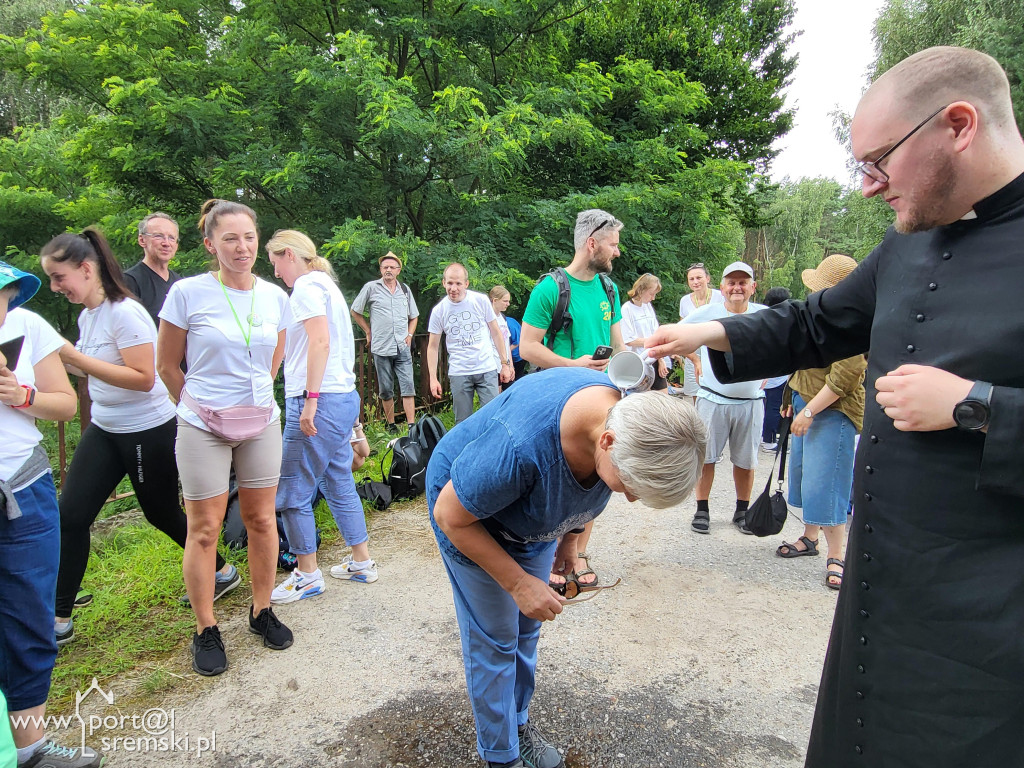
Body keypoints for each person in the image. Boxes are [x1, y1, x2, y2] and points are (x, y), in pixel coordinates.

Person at [646, 46, 1024, 767]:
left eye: (880, 160)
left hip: (992, 621)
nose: (867, 187)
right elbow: (816, 323)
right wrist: (712, 329)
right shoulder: (909, 240)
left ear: (959, 125)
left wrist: (978, 407)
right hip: (887, 594)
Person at [427, 368, 707, 768]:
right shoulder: (522, 446)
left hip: (525, 513)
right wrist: (518, 582)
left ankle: (518, 726)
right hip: (468, 513)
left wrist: (570, 540)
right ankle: (500, 756)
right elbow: (450, 516)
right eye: (629, 486)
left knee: (527, 629)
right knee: (497, 638)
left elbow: (589, 488)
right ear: (606, 442)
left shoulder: (623, 426)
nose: (627, 499)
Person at [38, 230, 238, 647]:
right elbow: (89, 368)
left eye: (59, 278)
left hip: (147, 429)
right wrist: (57, 359)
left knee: (161, 513)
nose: (56, 287)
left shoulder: (124, 313)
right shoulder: (89, 316)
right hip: (106, 428)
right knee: (71, 515)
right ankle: (58, 617)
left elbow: (144, 377)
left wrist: (74, 356)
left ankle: (221, 571)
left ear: (86, 269)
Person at [157, 199, 293, 677]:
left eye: (249, 237)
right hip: (201, 424)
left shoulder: (275, 296)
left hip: (260, 421)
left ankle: (261, 610)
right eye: (230, 238)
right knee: (205, 528)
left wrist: (253, 401)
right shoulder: (188, 293)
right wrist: (199, 407)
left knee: (261, 519)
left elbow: (273, 361)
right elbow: (168, 365)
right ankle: (205, 627)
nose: (242, 247)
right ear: (211, 244)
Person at [0, 262, 99, 767]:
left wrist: (22, 396)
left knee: (30, 620)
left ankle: (32, 749)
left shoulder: (28, 327)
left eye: (1, 296)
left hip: (23, 487)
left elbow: (64, 404)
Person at [265, 230, 377, 605]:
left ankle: (307, 574)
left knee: (292, 491)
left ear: (288, 255)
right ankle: (361, 562)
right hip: (342, 396)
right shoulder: (326, 286)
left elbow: (320, 341)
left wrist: (310, 400)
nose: (276, 271)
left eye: (275, 262)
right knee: (337, 479)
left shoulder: (307, 289)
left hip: (318, 400)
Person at [518, 209, 625, 588]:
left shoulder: (609, 289)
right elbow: (527, 347)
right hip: (558, 403)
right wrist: (572, 364)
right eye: (612, 243)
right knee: (553, 480)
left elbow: (618, 345)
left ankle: (577, 553)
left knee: (595, 475)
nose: (617, 251)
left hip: (602, 399)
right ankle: (545, 558)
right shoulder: (550, 287)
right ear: (592, 242)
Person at [772, 256, 864, 591]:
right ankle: (810, 538)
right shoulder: (822, 319)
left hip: (832, 411)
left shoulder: (851, 324)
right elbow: (803, 368)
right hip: (806, 405)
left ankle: (837, 555)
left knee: (828, 483)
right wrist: (789, 403)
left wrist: (809, 412)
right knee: (807, 478)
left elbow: (846, 378)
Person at [680, 261, 766, 535]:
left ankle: (742, 511)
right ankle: (702, 509)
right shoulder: (708, 313)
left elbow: (788, 347)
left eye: (743, 282)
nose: (737, 287)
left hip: (750, 403)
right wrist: (694, 359)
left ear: (753, 287)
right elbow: (678, 335)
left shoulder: (764, 315)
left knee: (746, 461)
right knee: (706, 458)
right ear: (722, 286)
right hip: (712, 400)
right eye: (732, 282)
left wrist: (772, 377)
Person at [426, 264, 512, 424]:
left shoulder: (480, 300)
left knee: (493, 417)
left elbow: (495, 332)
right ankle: (465, 449)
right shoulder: (439, 311)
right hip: (459, 371)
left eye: (458, 283)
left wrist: (504, 364)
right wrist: (433, 378)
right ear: (444, 283)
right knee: (463, 422)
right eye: (450, 283)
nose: (453, 288)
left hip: (486, 368)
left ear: (466, 284)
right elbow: (432, 346)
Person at [351, 252, 419, 433]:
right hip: (381, 346)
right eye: (385, 267)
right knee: (386, 388)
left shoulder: (405, 289)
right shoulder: (371, 287)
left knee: (408, 386)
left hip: (402, 347)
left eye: (392, 267)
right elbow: (355, 310)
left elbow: (414, 316)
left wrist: (410, 335)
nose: (388, 270)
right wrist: (368, 331)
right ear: (380, 270)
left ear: (398, 270)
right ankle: (391, 425)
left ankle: (411, 425)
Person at [122, 212, 182, 326]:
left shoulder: (180, 283)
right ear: (142, 240)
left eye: (172, 238)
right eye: (158, 236)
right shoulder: (129, 281)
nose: (166, 243)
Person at [677, 262, 724, 400]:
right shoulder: (685, 301)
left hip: (717, 348)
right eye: (691, 279)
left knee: (716, 390)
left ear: (707, 278)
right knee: (695, 392)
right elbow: (682, 329)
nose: (695, 282)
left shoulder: (720, 297)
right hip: (694, 349)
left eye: (699, 278)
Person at [619, 273, 670, 391]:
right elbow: (629, 340)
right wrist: (652, 342)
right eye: (651, 294)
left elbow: (656, 332)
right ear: (641, 290)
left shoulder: (648, 306)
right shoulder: (627, 309)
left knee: (664, 396)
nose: (653, 298)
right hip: (638, 361)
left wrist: (661, 359)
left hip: (653, 356)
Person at [759, 286, 791, 451]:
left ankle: (762, 436)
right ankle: (769, 440)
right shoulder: (783, 320)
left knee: (763, 407)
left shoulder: (761, 318)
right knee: (773, 407)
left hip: (760, 374)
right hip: (776, 375)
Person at [488, 286, 516, 391]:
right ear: (495, 300)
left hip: (506, 365)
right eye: (505, 301)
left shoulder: (503, 318)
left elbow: (506, 342)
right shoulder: (487, 319)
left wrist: (511, 365)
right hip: (494, 366)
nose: (508, 304)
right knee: (496, 397)